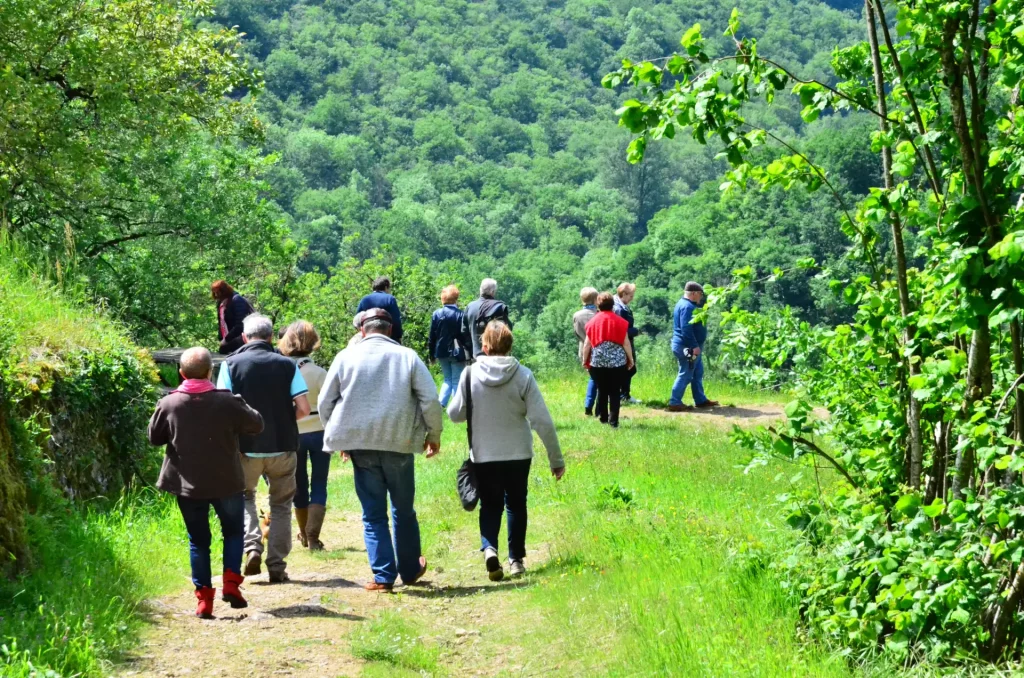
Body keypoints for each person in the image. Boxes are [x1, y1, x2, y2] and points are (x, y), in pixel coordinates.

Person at [318, 308, 443, 592]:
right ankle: (410, 570)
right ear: (390, 330)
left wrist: (339, 437)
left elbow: (326, 403)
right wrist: (433, 435)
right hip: (399, 444)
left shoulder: (345, 357)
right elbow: (430, 400)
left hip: (360, 445)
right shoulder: (408, 357)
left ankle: (383, 577)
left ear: (362, 330)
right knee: (403, 509)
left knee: (373, 513)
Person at [147, 347, 264, 619]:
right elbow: (256, 424)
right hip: (227, 482)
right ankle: (232, 584)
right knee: (233, 532)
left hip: (188, 485)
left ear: (180, 373)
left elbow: (154, 437)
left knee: (198, 541)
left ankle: (203, 601)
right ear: (211, 371)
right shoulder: (228, 401)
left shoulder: (169, 403)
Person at [447, 321, 565, 581]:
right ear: (510, 346)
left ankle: (490, 548)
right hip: (518, 453)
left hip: (484, 454)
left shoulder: (469, 374)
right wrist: (556, 459)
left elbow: (455, 414)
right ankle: (516, 561)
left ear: (485, 347)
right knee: (516, 504)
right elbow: (542, 421)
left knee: (490, 505)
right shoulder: (523, 375)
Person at [217, 314, 310, 583]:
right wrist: (281, 421)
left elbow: (224, 408)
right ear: (271, 338)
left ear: (244, 337)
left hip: (245, 448)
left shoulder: (231, 364)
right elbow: (303, 408)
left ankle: (252, 547)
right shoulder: (287, 365)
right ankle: (277, 567)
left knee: (244, 497)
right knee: (281, 505)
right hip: (282, 446)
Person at [278, 321, 330, 551]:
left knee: (299, 484)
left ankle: (303, 533)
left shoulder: (282, 372)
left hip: (294, 433)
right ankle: (313, 535)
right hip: (320, 432)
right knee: (319, 481)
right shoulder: (320, 373)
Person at [582, 293, 634, 428]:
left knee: (602, 390)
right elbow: (626, 343)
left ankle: (603, 417)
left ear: (598, 305)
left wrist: (585, 360)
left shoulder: (591, 323)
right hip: (617, 363)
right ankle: (614, 421)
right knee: (615, 392)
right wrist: (630, 359)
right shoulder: (621, 322)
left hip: (597, 362)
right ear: (612, 305)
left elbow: (587, 344)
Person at [668, 282, 720, 412]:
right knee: (686, 373)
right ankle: (675, 402)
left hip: (689, 346)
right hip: (687, 347)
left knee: (697, 372)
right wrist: (694, 346)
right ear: (693, 293)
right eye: (700, 294)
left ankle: (700, 400)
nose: (701, 297)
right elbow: (686, 328)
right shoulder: (687, 307)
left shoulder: (685, 304)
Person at [428, 285, 471, 406]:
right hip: (457, 352)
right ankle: (456, 407)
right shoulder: (461, 315)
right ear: (456, 298)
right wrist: (469, 353)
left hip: (441, 352)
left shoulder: (437, 314)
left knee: (447, 379)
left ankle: (441, 404)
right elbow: (465, 336)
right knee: (456, 380)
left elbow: (432, 337)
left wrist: (432, 355)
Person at [463, 278, 512, 359]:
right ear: (493, 292)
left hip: (476, 355)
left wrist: (471, 350)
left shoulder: (470, 307)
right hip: (496, 355)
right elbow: (507, 330)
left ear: (480, 290)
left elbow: (464, 332)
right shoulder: (499, 307)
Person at [572, 287, 599, 416]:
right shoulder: (597, 315)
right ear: (595, 299)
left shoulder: (576, 315)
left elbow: (576, 333)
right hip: (598, 349)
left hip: (583, 348)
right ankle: (597, 407)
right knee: (600, 379)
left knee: (593, 377)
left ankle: (588, 406)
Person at [613, 282, 641, 404]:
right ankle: (623, 395)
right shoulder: (620, 309)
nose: (632, 298)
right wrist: (635, 331)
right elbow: (621, 330)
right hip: (623, 344)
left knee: (628, 369)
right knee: (628, 369)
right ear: (624, 294)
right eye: (630, 295)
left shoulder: (621, 306)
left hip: (625, 343)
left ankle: (624, 395)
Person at [356, 276, 404, 344]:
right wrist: (398, 336)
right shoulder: (390, 299)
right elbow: (396, 320)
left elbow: (357, 320)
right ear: (386, 287)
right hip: (387, 337)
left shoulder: (365, 299)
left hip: (367, 337)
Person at [211, 280, 255, 354]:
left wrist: (226, 340)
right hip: (228, 341)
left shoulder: (237, 300)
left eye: (218, 292)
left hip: (240, 341)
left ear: (224, 291)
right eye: (214, 293)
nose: (216, 295)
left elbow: (240, 325)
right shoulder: (220, 303)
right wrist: (221, 339)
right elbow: (221, 323)